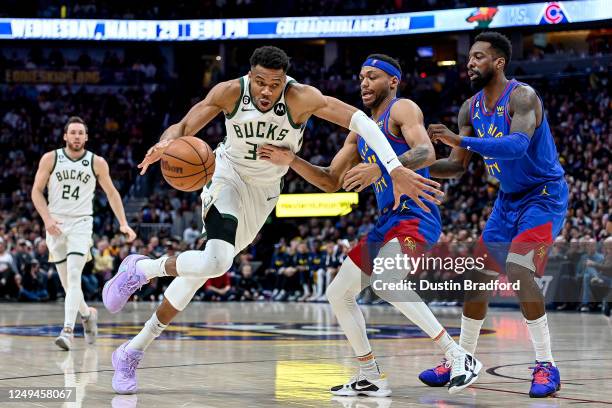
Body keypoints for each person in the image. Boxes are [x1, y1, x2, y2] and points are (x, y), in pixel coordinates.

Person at [101, 46, 443, 395]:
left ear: (285, 82)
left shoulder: (301, 98)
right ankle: (142, 270)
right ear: (250, 77)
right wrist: (165, 142)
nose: (267, 91)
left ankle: (131, 350)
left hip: (264, 194)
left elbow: (361, 122)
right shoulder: (230, 92)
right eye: (260, 82)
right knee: (217, 261)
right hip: (227, 177)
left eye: (275, 84)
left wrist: (396, 166)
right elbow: (185, 125)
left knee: (202, 269)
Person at [259, 54, 481, 397]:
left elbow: (426, 153)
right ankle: (370, 374)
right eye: (361, 76)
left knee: (387, 282)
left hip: (415, 216)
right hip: (386, 221)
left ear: (392, 82)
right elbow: (332, 181)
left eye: (373, 76)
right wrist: (291, 160)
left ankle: (458, 356)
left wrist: (381, 168)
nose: (364, 82)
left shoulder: (402, 108)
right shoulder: (359, 129)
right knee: (338, 293)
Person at [420, 32, 568, 398]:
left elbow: (517, 146)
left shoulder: (522, 96)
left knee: (519, 269)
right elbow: (456, 166)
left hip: (544, 196)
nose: (470, 63)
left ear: (499, 62)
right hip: (508, 200)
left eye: (478, 57)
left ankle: (546, 364)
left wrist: (460, 140)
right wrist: (406, 170)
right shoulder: (469, 108)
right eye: (469, 57)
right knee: (476, 276)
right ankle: (463, 360)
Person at [31, 116, 137, 350]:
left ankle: (68, 331)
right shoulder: (51, 158)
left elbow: (111, 193)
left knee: (74, 276)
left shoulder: (96, 162)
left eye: (81, 132)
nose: (77, 136)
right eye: (73, 132)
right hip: (56, 223)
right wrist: (47, 219)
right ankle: (88, 314)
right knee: (69, 286)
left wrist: (123, 223)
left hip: (81, 223)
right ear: (65, 136)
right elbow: (36, 192)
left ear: (86, 137)